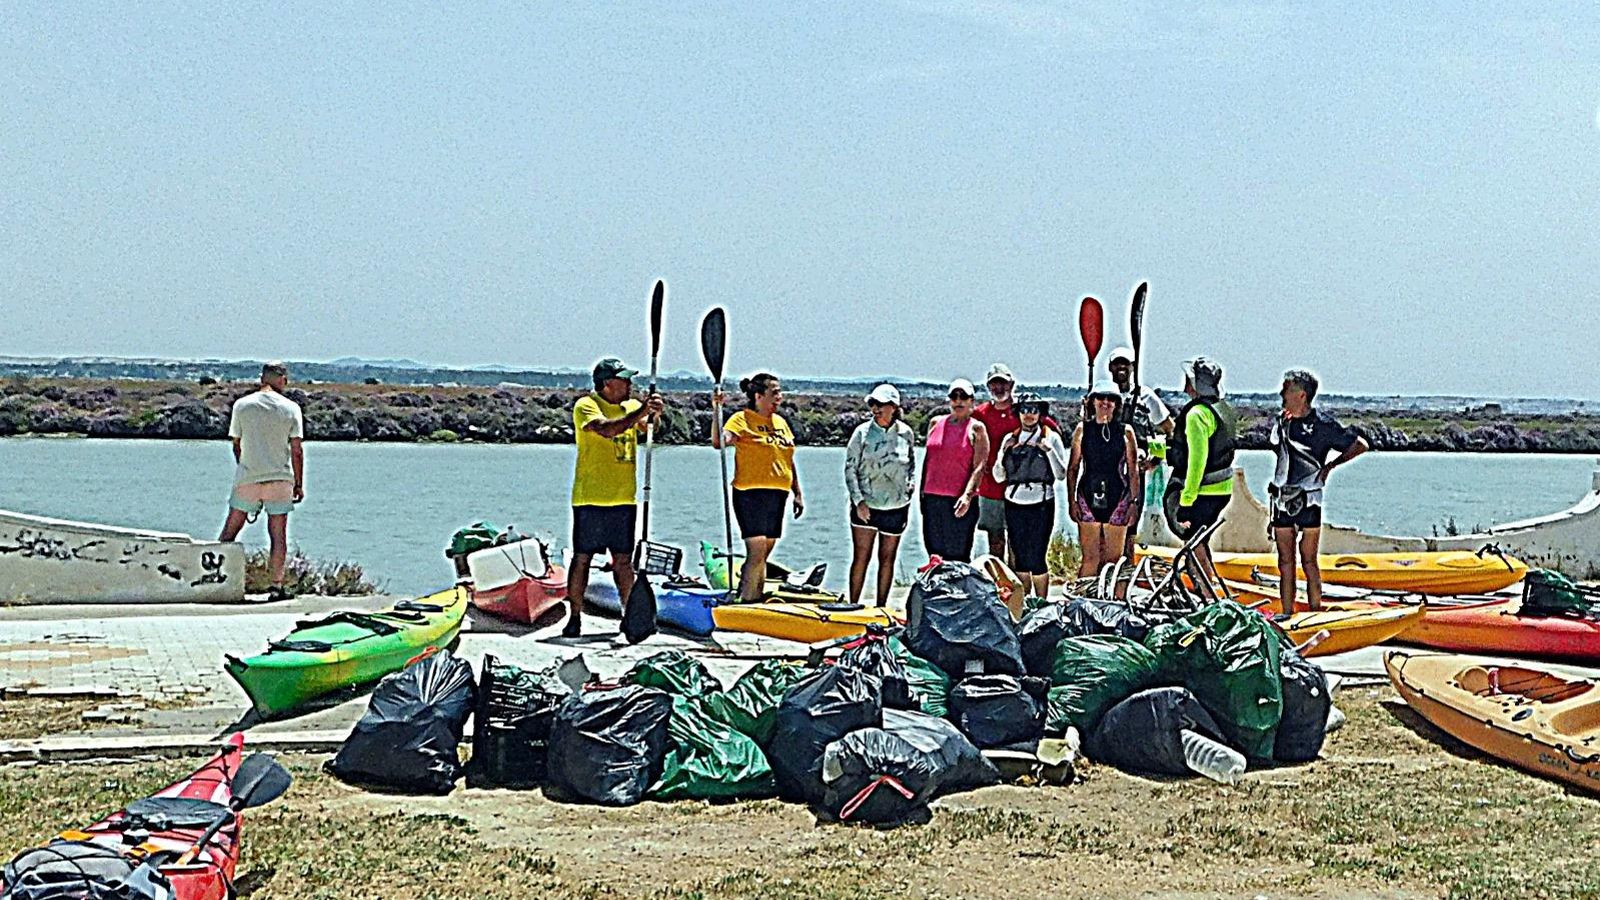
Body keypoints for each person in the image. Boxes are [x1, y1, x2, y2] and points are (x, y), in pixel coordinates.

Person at [563, 357, 664, 637]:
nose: (630, 384)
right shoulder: (587, 405)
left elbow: (649, 425)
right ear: (608, 384)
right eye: (624, 379)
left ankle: (629, 615)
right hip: (591, 498)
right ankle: (574, 616)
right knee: (582, 558)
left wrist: (654, 412)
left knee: (623, 561)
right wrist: (642, 411)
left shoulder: (631, 406)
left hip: (623, 499)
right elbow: (607, 429)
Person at [1270, 369, 1370, 615]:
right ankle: (1286, 612)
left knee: (1308, 559)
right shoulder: (1282, 422)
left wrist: (1330, 467)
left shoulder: (1323, 424)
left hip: (1310, 497)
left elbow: (1361, 445)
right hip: (1283, 498)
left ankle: (1315, 611)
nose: (1282, 394)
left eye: (1287, 389)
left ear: (1302, 395)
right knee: (1285, 562)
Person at [713, 372, 803, 603]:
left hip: (778, 493)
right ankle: (750, 599)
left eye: (780, 393)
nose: (779, 398)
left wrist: (798, 493)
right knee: (757, 549)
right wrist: (716, 410)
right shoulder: (741, 419)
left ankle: (748, 587)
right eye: (774, 393)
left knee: (764, 551)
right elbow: (719, 442)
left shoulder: (781, 423)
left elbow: (787, 459)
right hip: (750, 493)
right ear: (758, 396)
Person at [219, 361, 304, 601]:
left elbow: (237, 444)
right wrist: (298, 483)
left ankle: (216, 579)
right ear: (281, 379)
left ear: (262, 378)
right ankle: (276, 587)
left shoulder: (242, 406)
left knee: (230, 531)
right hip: (279, 479)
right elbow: (296, 450)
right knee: (278, 536)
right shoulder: (291, 408)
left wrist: (245, 467)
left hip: (248, 477)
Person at [1164, 357, 1236, 589]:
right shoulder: (1222, 410)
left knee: (1194, 545)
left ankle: (1206, 595)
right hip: (1222, 489)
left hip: (1202, 492)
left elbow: (1197, 461)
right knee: (1200, 542)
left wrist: (1186, 501)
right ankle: (1208, 590)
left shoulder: (1196, 415)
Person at [990, 392, 1068, 602]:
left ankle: (1042, 602)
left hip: (1042, 501)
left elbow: (1061, 473)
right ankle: (1023, 604)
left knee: (1038, 556)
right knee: (1021, 558)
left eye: (1034, 410)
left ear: (1040, 413)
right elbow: (999, 476)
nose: (1029, 415)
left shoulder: (1050, 437)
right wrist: (1003, 454)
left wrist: (1048, 451)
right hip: (1015, 502)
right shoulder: (1010, 439)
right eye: (1025, 410)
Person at [844, 384, 917, 607]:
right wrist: (859, 502)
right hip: (866, 506)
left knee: (887, 558)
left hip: (896, 506)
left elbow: (911, 464)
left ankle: (881, 607)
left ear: (893, 407)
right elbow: (850, 468)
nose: (876, 409)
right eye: (873, 404)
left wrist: (911, 484)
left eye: (881, 404)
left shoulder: (906, 433)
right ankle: (853, 604)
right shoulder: (862, 433)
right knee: (861, 557)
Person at [1107, 347, 1174, 553]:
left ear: (1132, 367)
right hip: (1106, 471)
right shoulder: (1103, 396)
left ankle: (1126, 567)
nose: (1121, 368)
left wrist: (1156, 458)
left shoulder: (1146, 397)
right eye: (1117, 363)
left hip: (1135, 472)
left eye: (1125, 363)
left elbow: (1169, 429)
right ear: (1110, 368)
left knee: (1130, 524)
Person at [1066, 391, 1138, 579]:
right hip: (1087, 496)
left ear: (1117, 404)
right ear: (1092, 402)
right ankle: (1081, 603)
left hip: (1118, 498)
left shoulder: (1126, 431)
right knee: (1090, 559)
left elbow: (1133, 471)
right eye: (1100, 398)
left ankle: (1113, 604)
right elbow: (1072, 468)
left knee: (1114, 561)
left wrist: (1134, 503)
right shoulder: (1083, 430)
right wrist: (1071, 501)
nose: (1105, 402)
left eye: (1111, 399)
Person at [919, 378, 990, 563]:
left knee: (958, 556)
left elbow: (980, 466)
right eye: (954, 396)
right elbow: (929, 461)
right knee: (934, 554)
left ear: (971, 401)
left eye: (963, 397)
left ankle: (959, 591)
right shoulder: (935, 423)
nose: (958, 401)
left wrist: (967, 496)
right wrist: (921, 494)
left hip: (959, 501)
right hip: (932, 499)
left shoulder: (977, 428)